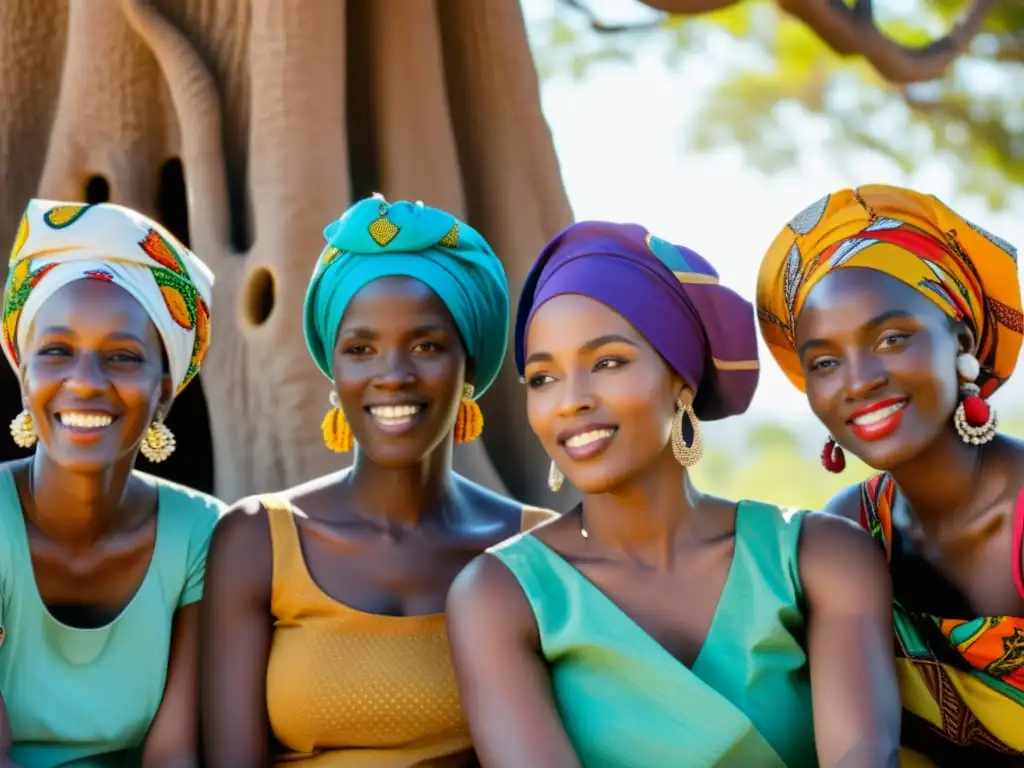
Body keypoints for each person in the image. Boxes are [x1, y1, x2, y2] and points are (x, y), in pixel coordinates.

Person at [446, 221, 901, 768]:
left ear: (681, 379)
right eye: (543, 378)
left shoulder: (818, 556)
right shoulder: (501, 595)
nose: (570, 401)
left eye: (607, 363)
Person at [201, 195, 555, 767]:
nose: (392, 376)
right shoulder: (258, 540)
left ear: (470, 367)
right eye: (361, 349)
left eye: (427, 346)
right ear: (334, 372)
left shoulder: (538, 550)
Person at [756, 184, 1024, 766]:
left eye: (891, 339)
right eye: (825, 362)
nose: (859, 381)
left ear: (964, 341)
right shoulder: (851, 529)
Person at [0, 200, 221, 767]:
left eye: (122, 357)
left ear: (164, 393)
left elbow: (173, 755)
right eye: (56, 352)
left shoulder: (202, 536)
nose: (85, 382)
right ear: (25, 379)